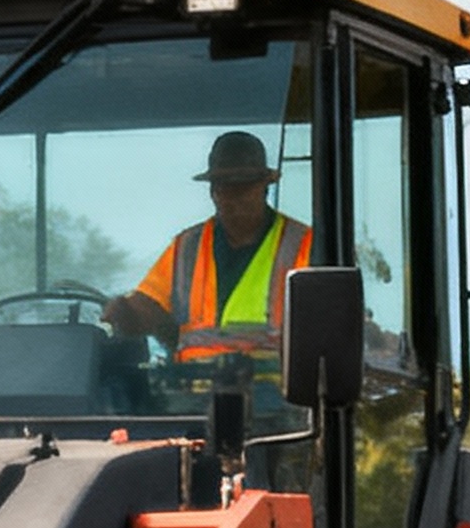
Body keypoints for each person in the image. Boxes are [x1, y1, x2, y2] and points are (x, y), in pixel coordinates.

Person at [110, 132, 317, 368]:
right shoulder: (186, 247)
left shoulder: (304, 245)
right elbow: (149, 308)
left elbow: (325, 330)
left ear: (265, 186)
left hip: (277, 398)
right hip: (191, 396)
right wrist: (126, 312)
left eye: (243, 187)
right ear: (212, 192)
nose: (233, 197)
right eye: (224, 188)